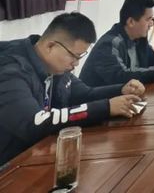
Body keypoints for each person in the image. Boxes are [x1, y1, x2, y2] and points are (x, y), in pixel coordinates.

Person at [0, 13, 143, 167]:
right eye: (74, 56)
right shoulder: (10, 71)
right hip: (9, 165)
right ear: (50, 46)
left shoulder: (54, 66)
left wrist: (121, 90)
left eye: (79, 57)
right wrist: (106, 107)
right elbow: (34, 123)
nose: (75, 64)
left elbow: (84, 94)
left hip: (39, 152)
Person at [81, 0, 154, 86]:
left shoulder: (138, 38)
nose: (151, 24)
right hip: (100, 103)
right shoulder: (109, 44)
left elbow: (152, 57)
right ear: (131, 22)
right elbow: (121, 76)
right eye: (148, 19)